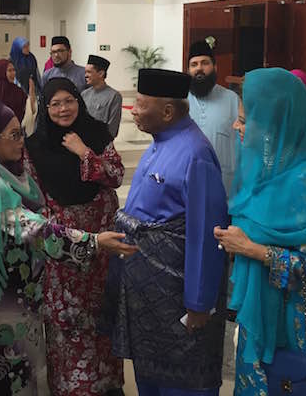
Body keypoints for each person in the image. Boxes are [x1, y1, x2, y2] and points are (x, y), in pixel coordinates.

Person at [0, 96, 136, 395]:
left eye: (21, 133)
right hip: (3, 304)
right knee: (9, 381)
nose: (21, 142)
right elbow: (35, 231)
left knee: (25, 376)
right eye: (13, 135)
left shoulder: (11, 175)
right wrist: (93, 241)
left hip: (23, 298)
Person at [215, 68, 306, 394]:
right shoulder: (260, 175)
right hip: (258, 319)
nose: (236, 126)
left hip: (294, 325)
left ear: (274, 124)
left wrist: (250, 249)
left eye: (246, 120)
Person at [102, 68, 229, 396]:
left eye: (142, 105)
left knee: (181, 381)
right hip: (149, 297)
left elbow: (206, 234)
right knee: (150, 376)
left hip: (176, 296)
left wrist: (199, 302)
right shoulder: (159, 143)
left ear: (168, 111)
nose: (134, 111)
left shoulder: (195, 153)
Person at [25, 78, 126, 396]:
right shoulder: (35, 146)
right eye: (54, 103)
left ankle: (107, 385)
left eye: (69, 100)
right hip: (64, 257)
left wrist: (84, 152)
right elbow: (34, 199)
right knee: (67, 324)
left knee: (102, 321)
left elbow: (116, 175)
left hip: (103, 254)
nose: (63, 108)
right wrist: (65, 233)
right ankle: (70, 387)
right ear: (45, 107)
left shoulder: (96, 133)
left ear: (79, 102)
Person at [186, 40, 239, 195]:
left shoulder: (231, 99)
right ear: (188, 70)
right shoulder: (180, 101)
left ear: (215, 67)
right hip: (188, 180)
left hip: (223, 183)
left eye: (205, 63)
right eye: (194, 65)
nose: (199, 68)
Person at [82, 55, 123, 138]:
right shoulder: (84, 94)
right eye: (85, 72)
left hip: (102, 142)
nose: (86, 75)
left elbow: (112, 128)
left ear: (101, 73)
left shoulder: (114, 96)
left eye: (89, 72)